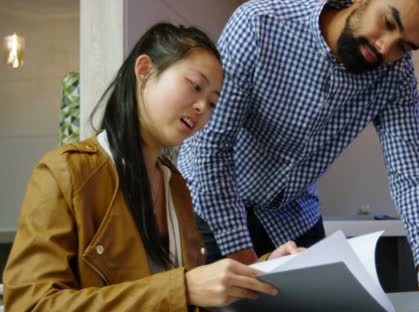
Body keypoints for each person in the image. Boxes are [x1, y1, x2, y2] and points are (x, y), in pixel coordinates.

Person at [178, 0, 419, 309]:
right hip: (213, 204)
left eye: (405, 46)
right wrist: (249, 264)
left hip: (291, 215)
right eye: (387, 23)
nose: (386, 47)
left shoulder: (396, 75)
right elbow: (211, 147)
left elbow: (411, 171)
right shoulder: (259, 23)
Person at [2, 23, 302, 311]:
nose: (201, 108)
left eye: (212, 103)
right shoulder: (66, 172)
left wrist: (269, 266)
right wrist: (181, 289)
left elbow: (197, 283)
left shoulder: (175, 185)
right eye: (195, 86)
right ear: (145, 70)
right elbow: (30, 305)